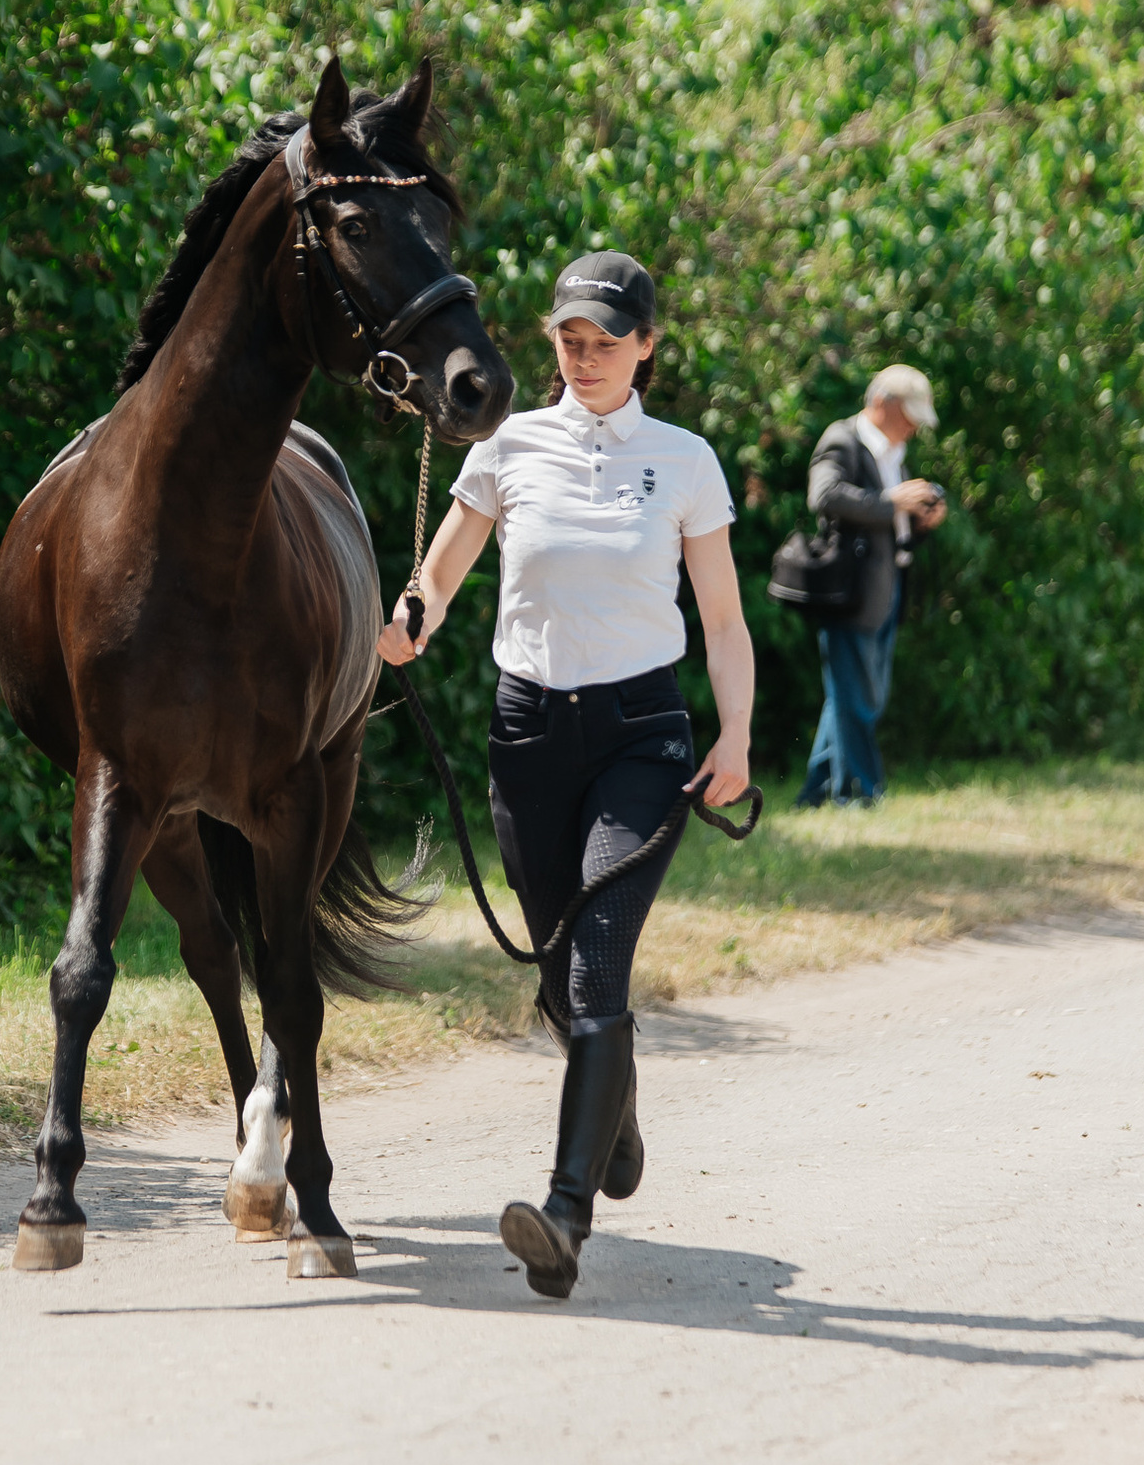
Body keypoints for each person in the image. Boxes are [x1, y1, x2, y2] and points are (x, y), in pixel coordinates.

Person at [376, 249, 755, 1300]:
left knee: (592, 966)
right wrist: (412, 619)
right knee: (556, 978)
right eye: (567, 340)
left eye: (604, 341)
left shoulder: (683, 461)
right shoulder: (509, 443)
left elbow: (721, 619)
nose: (583, 358)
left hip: (642, 738)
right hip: (527, 733)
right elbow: (442, 568)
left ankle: (563, 1213)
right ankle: (613, 1123)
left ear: (645, 346)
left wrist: (736, 737)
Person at [796, 364, 946, 807]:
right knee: (858, 698)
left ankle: (816, 792)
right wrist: (890, 502)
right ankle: (863, 793)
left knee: (852, 695)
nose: (915, 426)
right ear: (882, 403)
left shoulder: (892, 451)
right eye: (910, 415)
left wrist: (920, 521)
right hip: (850, 592)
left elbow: (890, 524)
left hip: (887, 587)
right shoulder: (842, 439)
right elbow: (823, 497)